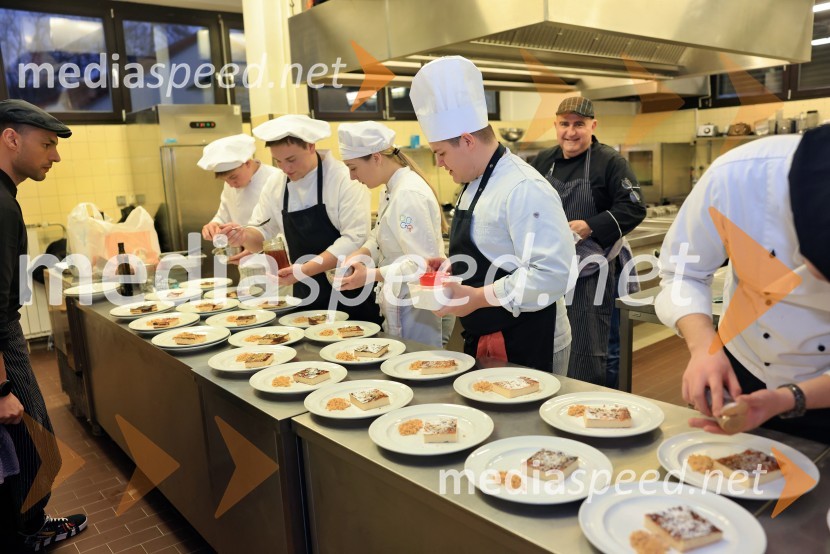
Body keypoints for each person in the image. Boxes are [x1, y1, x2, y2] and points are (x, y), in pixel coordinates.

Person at [656, 125, 830, 443]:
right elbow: (682, 273)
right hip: (745, 367)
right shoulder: (738, 177)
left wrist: (786, 398)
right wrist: (702, 348)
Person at [409, 56, 574, 373]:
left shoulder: (524, 188)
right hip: (487, 335)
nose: (440, 163)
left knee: (525, 424)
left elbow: (552, 274)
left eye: (441, 153)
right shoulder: (473, 183)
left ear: (467, 141)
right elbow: (491, 250)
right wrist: (452, 267)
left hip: (529, 339)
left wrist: (478, 296)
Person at [0, 100, 88, 551]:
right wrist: (1, 389)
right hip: (4, 343)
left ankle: (27, 527)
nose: (54, 156)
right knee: (36, 453)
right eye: (48, 144)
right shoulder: (1, 203)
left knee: (23, 453)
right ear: (11, 138)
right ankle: (27, 533)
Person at [222, 115, 382, 324]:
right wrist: (242, 236)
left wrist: (305, 270)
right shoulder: (276, 184)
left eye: (291, 160)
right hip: (304, 294)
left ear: (310, 146)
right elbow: (261, 236)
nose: (285, 169)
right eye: (278, 161)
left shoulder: (344, 178)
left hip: (350, 289)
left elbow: (354, 239)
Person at [531, 96, 646, 386]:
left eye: (579, 125)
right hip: (555, 268)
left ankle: (603, 403)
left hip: (597, 270)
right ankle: (561, 402)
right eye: (564, 124)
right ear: (555, 126)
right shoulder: (544, 161)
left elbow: (634, 206)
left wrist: (589, 227)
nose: (571, 132)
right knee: (558, 339)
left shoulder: (610, 161)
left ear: (593, 126)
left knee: (597, 346)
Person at [336, 121, 446, 347]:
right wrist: (361, 253)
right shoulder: (390, 188)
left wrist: (370, 275)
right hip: (399, 301)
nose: (352, 177)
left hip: (415, 306)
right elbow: (380, 235)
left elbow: (421, 264)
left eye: (353, 167)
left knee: (420, 368)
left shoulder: (408, 195)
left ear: (376, 157)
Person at [197, 133, 278, 241]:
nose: (231, 184)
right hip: (242, 249)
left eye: (233, 177)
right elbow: (224, 215)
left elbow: (283, 227)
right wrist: (214, 224)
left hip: (272, 250)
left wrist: (256, 245)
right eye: (225, 180)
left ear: (248, 163)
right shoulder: (230, 184)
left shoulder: (276, 178)